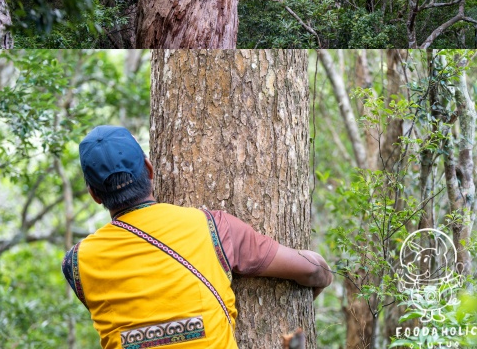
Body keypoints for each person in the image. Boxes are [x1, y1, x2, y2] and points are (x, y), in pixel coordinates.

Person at [62, 126, 332, 349]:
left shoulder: (77, 264)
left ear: (94, 195)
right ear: (149, 169)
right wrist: (323, 272)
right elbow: (311, 271)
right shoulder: (212, 227)